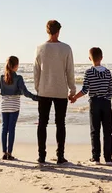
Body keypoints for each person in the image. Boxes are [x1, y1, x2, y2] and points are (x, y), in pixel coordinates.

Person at [34, 20, 76, 165]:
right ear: (58, 31)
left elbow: (36, 71)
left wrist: (37, 88)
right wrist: (73, 89)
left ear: (47, 31)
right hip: (60, 90)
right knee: (60, 123)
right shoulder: (66, 48)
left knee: (42, 123)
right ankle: (60, 156)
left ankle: (41, 155)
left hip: (44, 90)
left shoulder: (40, 48)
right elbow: (70, 71)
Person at [0, 56, 38, 160]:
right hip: (14, 106)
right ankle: (9, 153)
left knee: (4, 128)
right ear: (16, 66)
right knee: (11, 129)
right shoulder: (19, 78)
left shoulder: (1, 77)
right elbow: (25, 93)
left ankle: (4, 153)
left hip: (4, 105)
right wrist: (37, 98)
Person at [70, 47, 112, 165]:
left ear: (90, 58)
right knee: (108, 131)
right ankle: (108, 158)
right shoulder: (107, 72)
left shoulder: (89, 72)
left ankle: (96, 157)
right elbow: (111, 89)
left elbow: (85, 90)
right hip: (106, 103)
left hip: (94, 102)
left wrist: (74, 97)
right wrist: (107, 98)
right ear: (101, 57)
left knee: (95, 131)